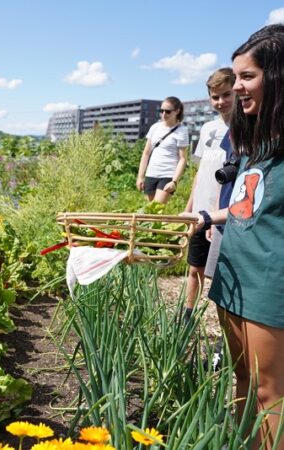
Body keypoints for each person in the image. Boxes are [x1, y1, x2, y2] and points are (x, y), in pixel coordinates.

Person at [198, 26, 284, 449]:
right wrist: (203, 216)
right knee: (243, 379)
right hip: (233, 275)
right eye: (236, 78)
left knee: (271, 394)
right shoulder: (256, 138)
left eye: (247, 77)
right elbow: (246, 205)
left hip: (270, 282)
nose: (237, 88)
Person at [182, 68, 235, 320]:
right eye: (215, 97)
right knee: (194, 268)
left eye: (226, 95)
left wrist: (214, 216)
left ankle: (221, 326)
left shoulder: (243, 128)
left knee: (216, 276)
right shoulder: (207, 128)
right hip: (199, 212)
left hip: (219, 215)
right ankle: (187, 316)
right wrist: (190, 206)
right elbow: (201, 171)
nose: (220, 102)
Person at [136, 96, 189, 204]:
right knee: (148, 211)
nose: (164, 114)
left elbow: (183, 159)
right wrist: (140, 176)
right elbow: (146, 154)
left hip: (167, 174)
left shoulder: (182, 131)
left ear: (177, 111)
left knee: (156, 209)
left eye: (168, 111)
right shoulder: (155, 127)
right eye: (161, 111)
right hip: (151, 173)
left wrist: (174, 181)